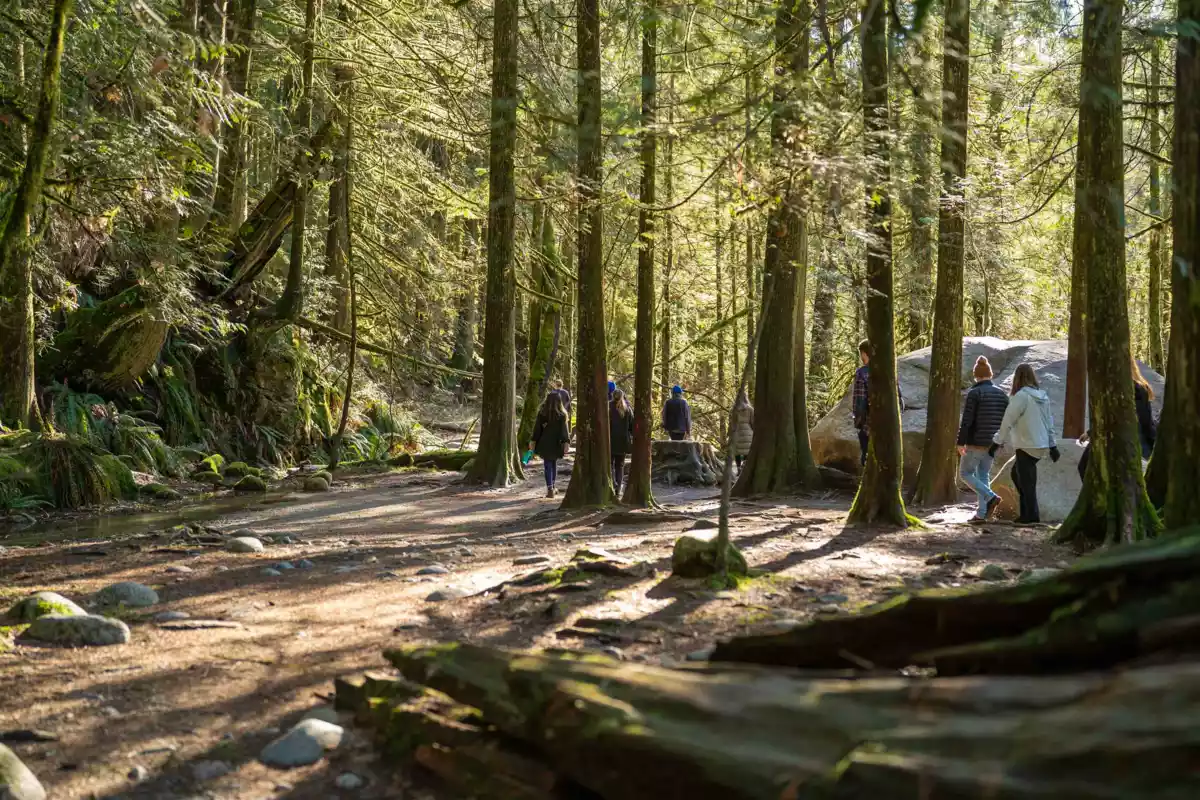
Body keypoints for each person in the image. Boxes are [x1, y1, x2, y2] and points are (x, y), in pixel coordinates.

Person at [989, 363, 1060, 524]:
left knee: (1027, 481)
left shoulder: (1021, 396)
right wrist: (1052, 445)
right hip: (1039, 444)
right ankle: (1027, 513)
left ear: (1017, 378)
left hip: (1026, 443)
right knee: (1017, 474)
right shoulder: (1042, 396)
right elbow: (1049, 422)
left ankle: (1031, 516)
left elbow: (1008, 420)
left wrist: (996, 442)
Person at [1077, 355, 1158, 480]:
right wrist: (1091, 432)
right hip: (1111, 438)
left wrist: (1154, 444)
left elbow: (1144, 421)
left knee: (1087, 467)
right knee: (1085, 467)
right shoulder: (1112, 388)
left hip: (1128, 441)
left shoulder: (1137, 389)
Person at [956, 356, 1009, 524]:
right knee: (982, 475)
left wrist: (960, 442)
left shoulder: (974, 393)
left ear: (975, 376)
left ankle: (991, 497)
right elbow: (1005, 420)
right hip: (994, 442)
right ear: (991, 374)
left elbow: (967, 421)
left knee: (965, 473)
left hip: (976, 442)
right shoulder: (1002, 394)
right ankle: (981, 514)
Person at [851, 339, 904, 466]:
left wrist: (858, 422)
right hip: (889, 425)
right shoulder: (888, 371)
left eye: (861, 353)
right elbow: (899, 398)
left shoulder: (862, 373)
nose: (861, 357)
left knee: (868, 457)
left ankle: (869, 483)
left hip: (869, 425)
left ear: (865, 353)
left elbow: (859, 400)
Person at [530, 391, 571, 498]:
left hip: (545, 443)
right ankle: (552, 486)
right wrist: (566, 442)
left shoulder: (542, 413)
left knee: (547, 465)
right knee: (553, 464)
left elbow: (537, 429)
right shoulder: (562, 415)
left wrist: (533, 441)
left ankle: (550, 489)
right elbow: (564, 431)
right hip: (556, 443)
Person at [609, 389, 634, 494]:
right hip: (623, 442)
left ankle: (613, 482)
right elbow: (632, 427)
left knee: (610, 464)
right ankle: (618, 488)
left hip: (610, 441)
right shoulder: (627, 409)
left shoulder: (608, 407)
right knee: (619, 465)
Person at [731, 389, 754, 472]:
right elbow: (752, 422)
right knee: (746, 452)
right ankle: (745, 469)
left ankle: (738, 468)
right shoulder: (750, 409)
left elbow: (733, 423)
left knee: (737, 452)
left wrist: (731, 433)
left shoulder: (734, 409)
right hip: (748, 432)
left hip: (738, 432)